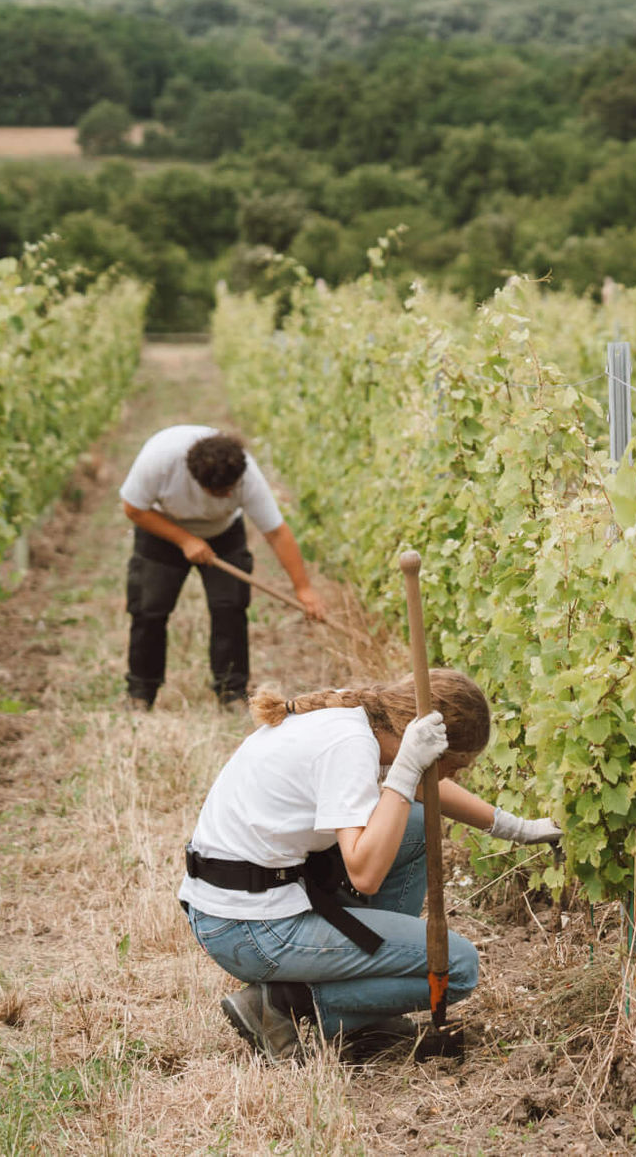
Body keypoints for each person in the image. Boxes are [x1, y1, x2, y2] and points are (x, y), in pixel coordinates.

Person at [180, 674, 565, 1058]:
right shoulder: (351, 746)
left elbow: (423, 790)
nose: (455, 775)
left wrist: (520, 829)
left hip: (239, 904)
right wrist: (408, 768)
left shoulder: (357, 718)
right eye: (455, 765)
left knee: (415, 822)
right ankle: (283, 1003)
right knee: (456, 967)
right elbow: (365, 874)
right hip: (249, 930)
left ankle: (363, 1008)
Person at [119, 425, 323, 709]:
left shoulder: (246, 474)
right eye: (220, 492)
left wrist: (303, 588)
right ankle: (141, 692)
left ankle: (231, 692)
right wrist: (185, 540)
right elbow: (133, 508)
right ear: (195, 480)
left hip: (224, 534)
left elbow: (276, 533)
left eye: (232, 490)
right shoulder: (159, 461)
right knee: (148, 610)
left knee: (230, 608)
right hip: (161, 530)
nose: (229, 497)